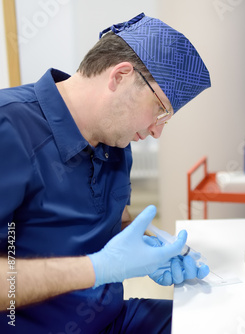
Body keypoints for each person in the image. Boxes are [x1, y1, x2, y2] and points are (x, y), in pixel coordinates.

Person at [0, 13, 211, 333]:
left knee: (220, 319)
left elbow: (113, 218)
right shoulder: (9, 129)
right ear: (121, 76)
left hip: (110, 320)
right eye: (160, 111)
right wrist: (98, 269)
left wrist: (151, 246)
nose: (156, 132)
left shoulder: (115, 140)